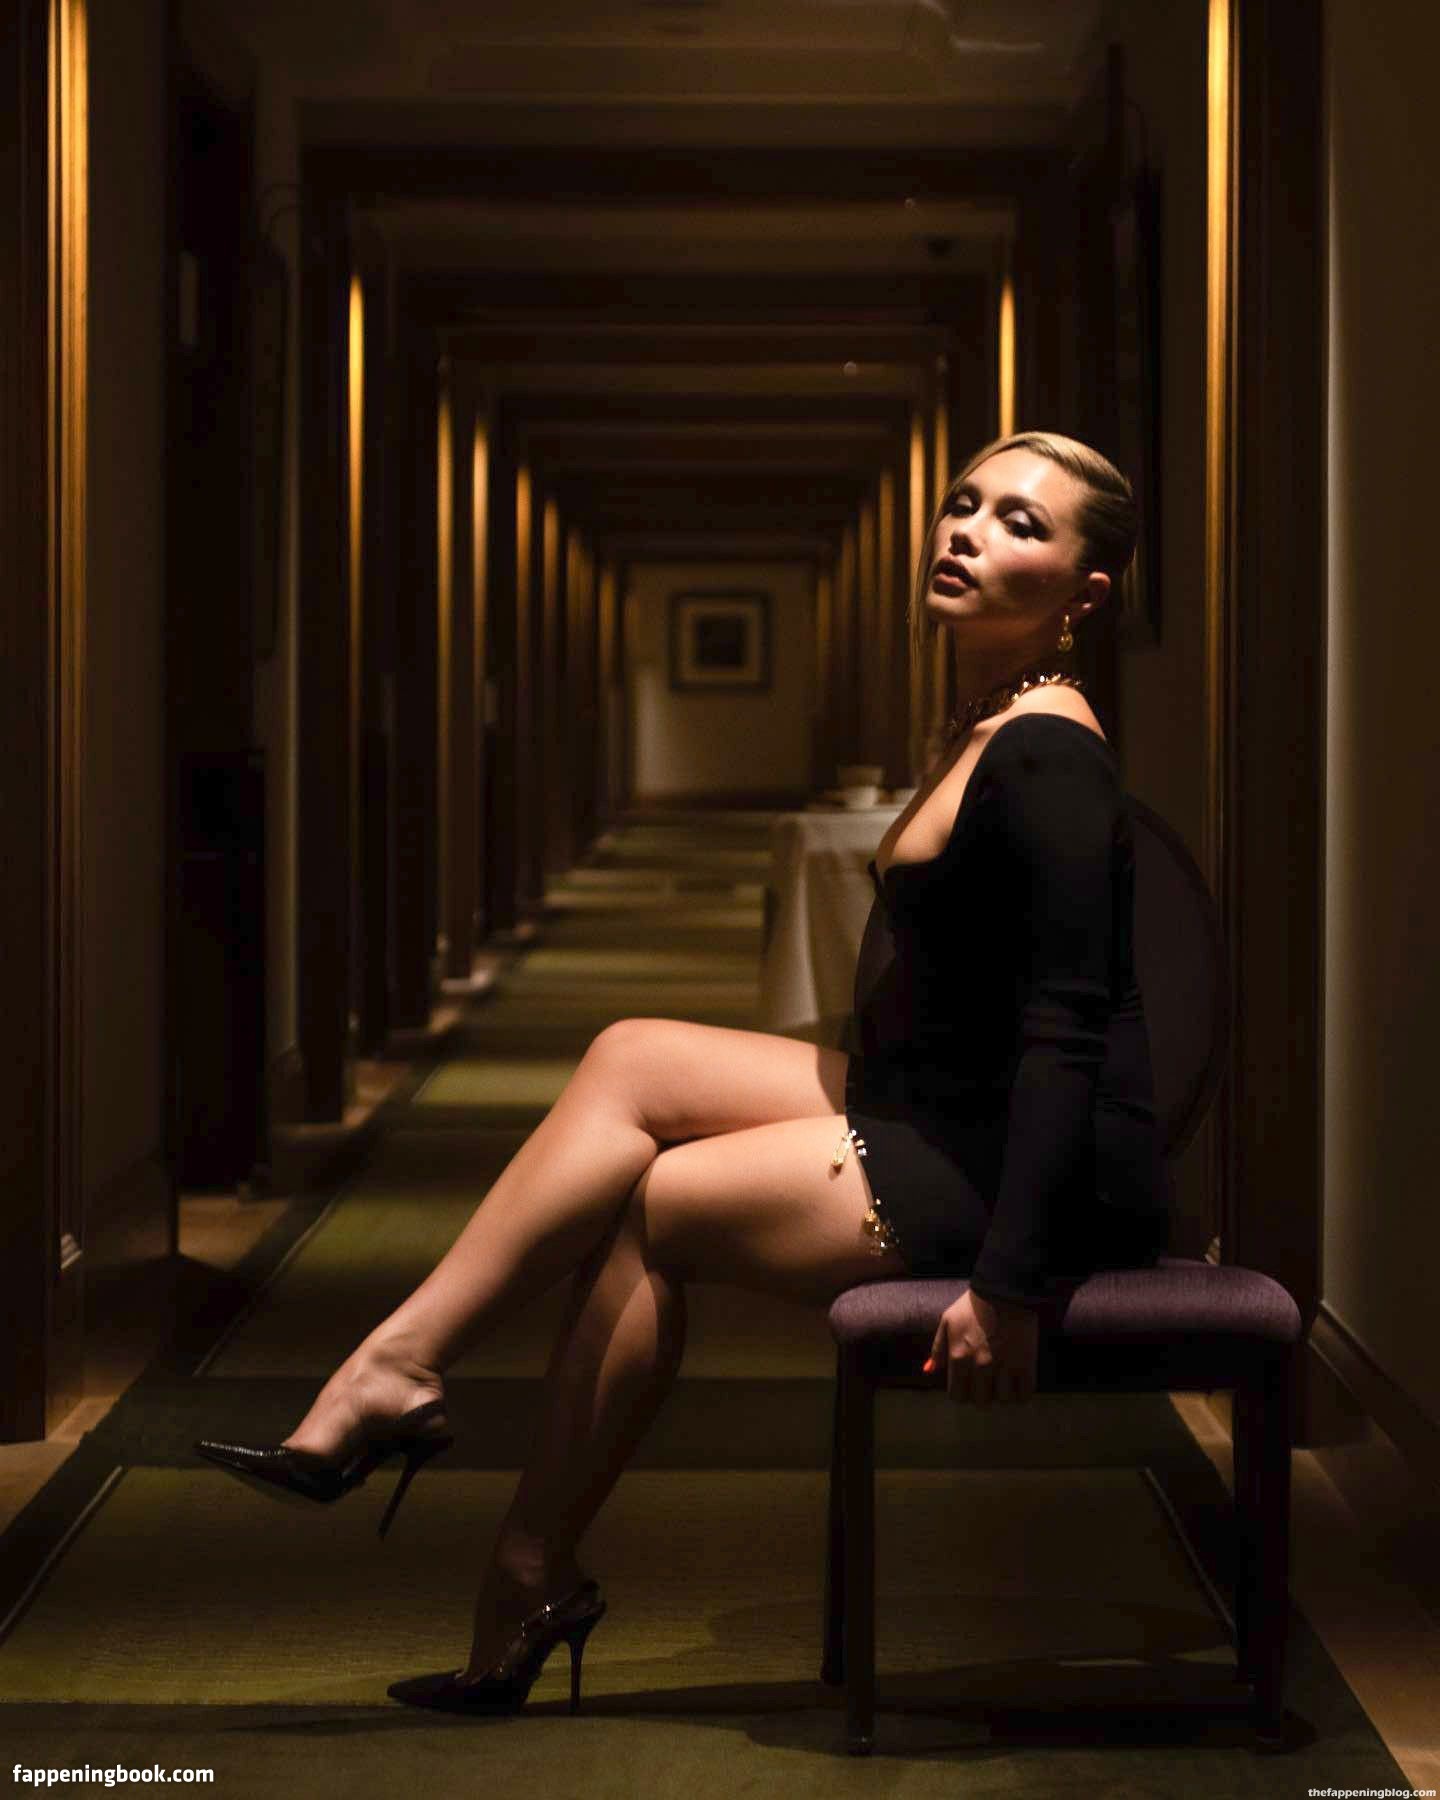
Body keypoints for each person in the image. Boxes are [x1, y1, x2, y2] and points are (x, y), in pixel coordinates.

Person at [197, 428, 1170, 1718]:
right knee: (630, 1057)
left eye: (1018, 524)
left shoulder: (1050, 752)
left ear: (1085, 594)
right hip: (946, 1100)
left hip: (1023, 1170)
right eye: (964, 503)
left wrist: (1009, 1285)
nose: (965, 531)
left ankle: (525, 1567)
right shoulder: (987, 724)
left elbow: (1071, 1029)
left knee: (659, 1204)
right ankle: (398, 1367)